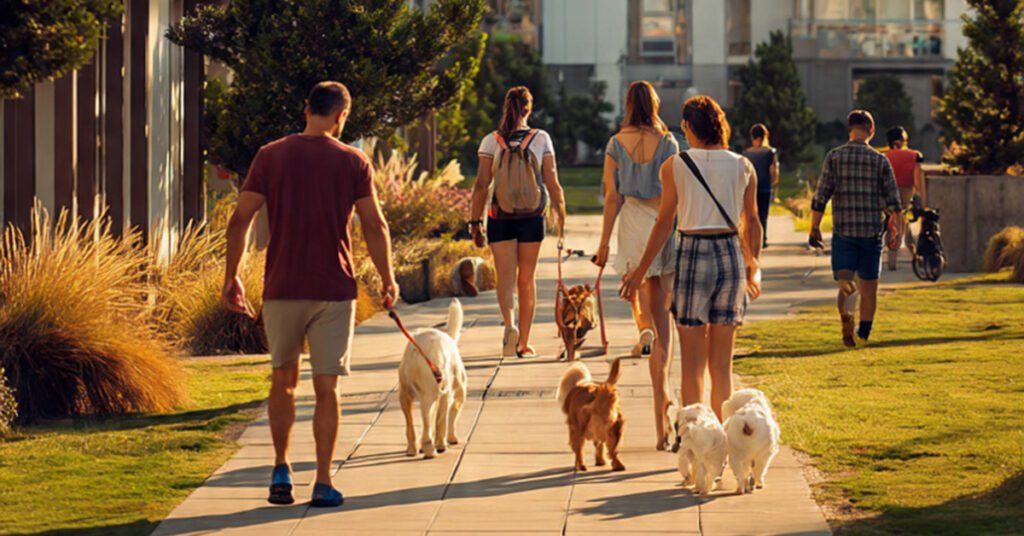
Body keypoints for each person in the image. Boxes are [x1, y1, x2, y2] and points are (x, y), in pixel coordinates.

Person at [222, 81, 397, 507]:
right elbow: (375, 226)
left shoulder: (270, 155)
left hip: (282, 287)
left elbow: (240, 218)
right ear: (342, 116)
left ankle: (281, 469)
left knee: (283, 380)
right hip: (333, 290)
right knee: (327, 388)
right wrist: (388, 279)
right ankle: (322, 480)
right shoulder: (354, 161)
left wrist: (232, 276)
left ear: (307, 109)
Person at [621, 95, 763, 421]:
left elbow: (664, 222)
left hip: (694, 253)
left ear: (687, 127)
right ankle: (722, 443)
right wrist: (753, 264)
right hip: (730, 257)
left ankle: (695, 440)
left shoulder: (675, 165)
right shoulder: (743, 165)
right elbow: (751, 222)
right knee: (722, 368)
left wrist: (640, 270)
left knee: (692, 367)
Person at [594, 80, 680, 450]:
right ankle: (665, 402)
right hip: (661, 225)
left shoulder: (616, 144)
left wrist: (603, 243)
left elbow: (611, 198)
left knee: (647, 310)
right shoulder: (670, 143)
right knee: (666, 318)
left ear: (628, 104)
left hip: (630, 226)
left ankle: (660, 403)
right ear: (655, 103)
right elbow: (676, 196)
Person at [469, 86, 566, 358]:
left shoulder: (491, 141)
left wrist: (474, 222)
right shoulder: (541, 138)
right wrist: (561, 212)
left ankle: (509, 326)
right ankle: (523, 342)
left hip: (499, 216)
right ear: (529, 109)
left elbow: (480, 186)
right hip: (532, 217)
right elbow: (552, 181)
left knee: (506, 279)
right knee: (527, 279)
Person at [809, 110, 901, 347]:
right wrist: (897, 231)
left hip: (844, 233)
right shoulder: (880, 160)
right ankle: (864, 332)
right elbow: (894, 201)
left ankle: (846, 317)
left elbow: (821, 196)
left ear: (849, 129)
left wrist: (814, 228)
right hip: (870, 234)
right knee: (869, 288)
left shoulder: (834, 157)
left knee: (846, 281)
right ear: (871, 130)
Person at [884, 126, 926, 270]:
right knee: (904, 225)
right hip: (906, 195)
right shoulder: (915, 156)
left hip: (888, 197)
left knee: (895, 224)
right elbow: (917, 181)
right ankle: (911, 255)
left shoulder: (884, 157)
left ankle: (894, 258)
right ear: (904, 140)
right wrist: (921, 198)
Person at [742, 124, 779, 248]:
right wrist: (773, 182)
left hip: (748, 188)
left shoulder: (746, 154)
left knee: (750, 215)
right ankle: (762, 240)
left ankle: (749, 240)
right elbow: (773, 170)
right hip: (764, 188)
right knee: (763, 216)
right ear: (765, 136)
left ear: (752, 136)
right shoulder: (770, 152)